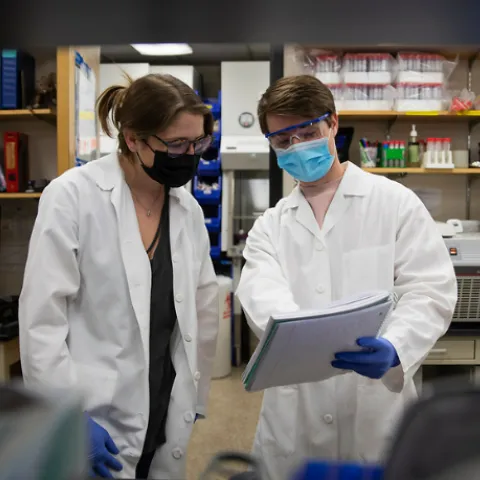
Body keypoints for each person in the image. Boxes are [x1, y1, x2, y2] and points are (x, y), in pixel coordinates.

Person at [236, 75, 457, 480]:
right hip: (294, 415)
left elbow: (429, 289)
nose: (297, 147)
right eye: (283, 140)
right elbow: (262, 299)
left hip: (376, 411)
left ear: (333, 123)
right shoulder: (269, 227)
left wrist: (395, 346)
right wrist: (307, 344)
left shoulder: (395, 203)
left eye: (307, 132)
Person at [19, 73, 219, 479]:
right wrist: (65, 418)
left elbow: (201, 308)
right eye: (177, 144)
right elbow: (42, 319)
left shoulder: (187, 210)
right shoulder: (73, 196)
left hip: (164, 406)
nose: (190, 155)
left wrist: (194, 397)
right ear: (132, 138)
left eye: (198, 143)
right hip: (92, 415)